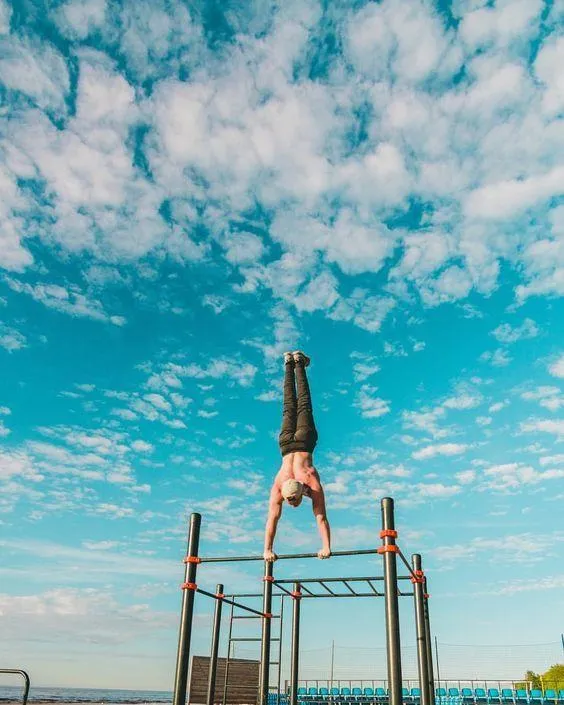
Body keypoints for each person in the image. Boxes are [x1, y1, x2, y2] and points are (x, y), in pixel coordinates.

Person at [263, 351, 331, 562]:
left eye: (292, 501)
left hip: (301, 442)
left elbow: (273, 520)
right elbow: (273, 519)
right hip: (286, 444)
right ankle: (290, 363)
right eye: (291, 501)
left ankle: (297, 362)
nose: (292, 504)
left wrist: (326, 547)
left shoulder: (302, 483)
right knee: (291, 407)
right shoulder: (289, 485)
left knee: (299, 405)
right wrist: (267, 550)